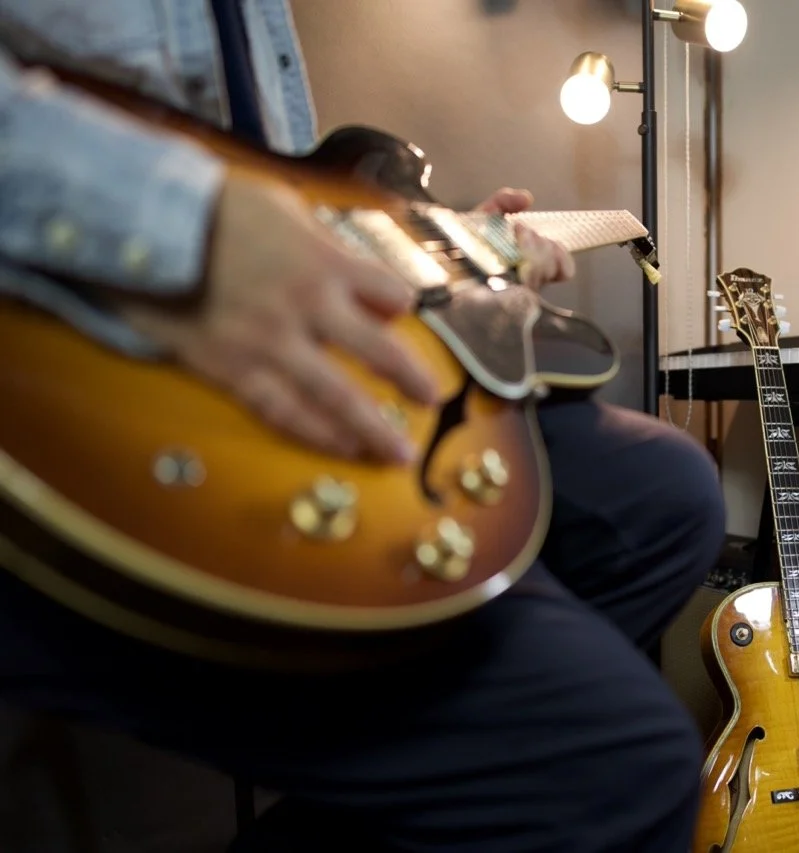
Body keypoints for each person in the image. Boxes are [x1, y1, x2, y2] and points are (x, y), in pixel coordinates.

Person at [0, 2, 725, 851]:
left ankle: (461, 783)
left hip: (273, 338)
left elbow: (302, 200)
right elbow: (231, 218)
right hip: (81, 333)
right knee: (622, 765)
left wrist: (449, 260)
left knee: (667, 495)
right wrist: (184, 229)